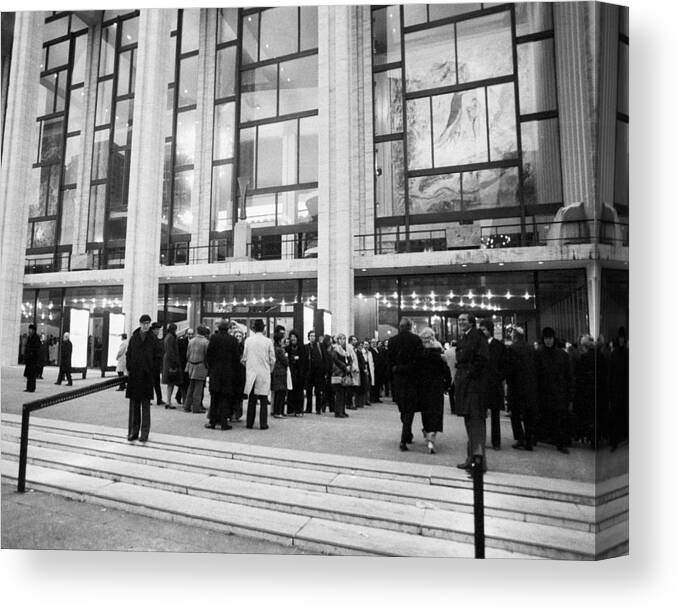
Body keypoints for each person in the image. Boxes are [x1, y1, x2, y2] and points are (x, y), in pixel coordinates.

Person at [454, 312, 489, 472]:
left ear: (471, 322)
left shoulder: (476, 337)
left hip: (474, 388)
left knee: (476, 426)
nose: (460, 322)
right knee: (470, 424)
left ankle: (478, 462)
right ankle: (471, 459)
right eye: (459, 320)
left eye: (463, 320)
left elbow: (481, 360)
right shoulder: (466, 337)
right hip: (467, 386)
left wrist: (468, 375)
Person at [125, 314, 163, 442]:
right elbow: (128, 354)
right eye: (144, 323)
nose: (146, 326)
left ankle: (144, 433)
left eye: (148, 323)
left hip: (147, 376)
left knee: (145, 406)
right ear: (140, 324)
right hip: (135, 376)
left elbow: (158, 357)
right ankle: (134, 432)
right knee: (135, 406)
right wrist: (130, 368)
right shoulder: (134, 338)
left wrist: (152, 370)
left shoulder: (153, 339)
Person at [388, 318, 424, 451]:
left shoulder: (392, 341)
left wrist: (394, 372)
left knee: (403, 408)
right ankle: (405, 437)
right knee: (409, 410)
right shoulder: (416, 340)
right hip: (412, 379)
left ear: (400, 327)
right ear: (410, 327)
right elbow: (419, 361)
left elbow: (389, 361)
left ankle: (407, 434)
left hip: (398, 380)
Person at [535, 327, 573, 454]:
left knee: (558, 419)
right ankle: (550, 440)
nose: (548, 341)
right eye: (546, 339)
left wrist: (569, 393)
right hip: (545, 392)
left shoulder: (561, 355)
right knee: (547, 417)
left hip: (557, 392)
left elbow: (568, 375)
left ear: (553, 338)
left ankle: (560, 443)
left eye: (550, 338)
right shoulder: (540, 354)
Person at [417, 328, 451, 454]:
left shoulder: (419, 353)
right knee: (436, 412)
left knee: (426, 412)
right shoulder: (440, 353)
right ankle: (432, 437)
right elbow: (446, 371)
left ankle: (427, 432)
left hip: (423, 386)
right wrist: (447, 385)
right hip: (436, 387)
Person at [505, 326, 538, 451]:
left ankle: (520, 438)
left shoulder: (512, 348)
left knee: (516, 415)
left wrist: (508, 381)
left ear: (515, 336)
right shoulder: (531, 348)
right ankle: (529, 440)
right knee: (528, 415)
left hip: (516, 386)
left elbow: (510, 368)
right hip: (529, 386)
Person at [204, 321, 240, 430]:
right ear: (228, 329)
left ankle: (212, 422)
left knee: (214, 398)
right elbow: (236, 359)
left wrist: (210, 369)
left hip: (216, 373)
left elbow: (208, 355)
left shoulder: (214, 338)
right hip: (228, 374)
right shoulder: (233, 340)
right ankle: (224, 423)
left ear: (219, 328)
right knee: (225, 399)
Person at [242, 319, 276, 430]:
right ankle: (263, 423)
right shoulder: (268, 341)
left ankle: (249, 423)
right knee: (263, 400)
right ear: (264, 328)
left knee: (252, 399)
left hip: (251, 373)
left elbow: (244, 358)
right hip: (264, 373)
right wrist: (269, 369)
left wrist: (249, 367)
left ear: (254, 328)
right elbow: (273, 359)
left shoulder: (248, 340)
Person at [478, 319, 506, 450]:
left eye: (483, 329)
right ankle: (480, 440)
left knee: (495, 416)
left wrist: (499, 377)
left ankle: (496, 441)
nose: (482, 332)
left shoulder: (499, 346)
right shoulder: (478, 345)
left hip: (494, 384)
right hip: (481, 384)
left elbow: (504, 365)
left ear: (490, 330)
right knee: (480, 416)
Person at [609, 327, 629, 451]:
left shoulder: (627, 353)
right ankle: (615, 441)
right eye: (620, 338)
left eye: (623, 338)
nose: (621, 340)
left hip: (626, 389)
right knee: (616, 416)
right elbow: (610, 374)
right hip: (617, 389)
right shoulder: (614, 353)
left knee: (625, 415)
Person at [183, 326, 210, 414]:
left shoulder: (191, 341)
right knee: (198, 388)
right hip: (201, 365)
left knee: (191, 387)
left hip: (191, 365)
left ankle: (187, 406)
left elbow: (187, 354)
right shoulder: (206, 342)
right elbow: (207, 355)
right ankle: (196, 407)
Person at [303, 330, 325, 414]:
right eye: (311, 336)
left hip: (318, 372)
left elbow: (323, 358)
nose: (312, 337)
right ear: (308, 337)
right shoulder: (306, 347)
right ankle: (308, 408)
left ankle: (318, 409)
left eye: (314, 336)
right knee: (308, 391)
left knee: (318, 391)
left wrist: (323, 371)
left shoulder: (319, 346)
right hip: (309, 372)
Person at [330, 333, 351, 418]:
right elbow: (335, 360)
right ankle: (338, 412)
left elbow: (349, 359)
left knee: (344, 393)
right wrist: (345, 367)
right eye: (341, 339)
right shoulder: (335, 349)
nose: (342, 341)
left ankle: (342, 410)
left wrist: (349, 365)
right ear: (337, 340)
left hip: (345, 373)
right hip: (338, 373)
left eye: (344, 339)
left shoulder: (345, 350)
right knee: (339, 394)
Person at [285, 330, 305, 416]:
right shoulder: (287, 348)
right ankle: (291, 409)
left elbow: (304, 360)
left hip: (299, 373)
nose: (293, 339)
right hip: (291, 372)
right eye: (291, 337)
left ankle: (299, 410)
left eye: (294, 337)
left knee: (299, 392)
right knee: (291, 391)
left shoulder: (302, 347)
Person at [161, 323, 181, 409]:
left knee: (170, 383)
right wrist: (174, 363)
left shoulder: (167, 336)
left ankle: (168, 401)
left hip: (167, 361)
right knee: (171, 382)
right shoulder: (171, 337)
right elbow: (171, 351)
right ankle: (168, 401)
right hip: (171, 362)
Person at [271, 330, 289, 418]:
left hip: (276, 372)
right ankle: (279, 411)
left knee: (278, 392)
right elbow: (285, 361)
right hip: (281, 372)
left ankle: (278, 411)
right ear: (279, 340)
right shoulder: (279, 349)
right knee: (281, 393)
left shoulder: (274, 347)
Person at [231, 326, 246, 422]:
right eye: (236, 336)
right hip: (233, 374)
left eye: (240, 336)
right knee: (233, 395)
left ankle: (237, 414)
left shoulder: (244, 347)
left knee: (239, 395)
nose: (238, 337)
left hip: (241, 374)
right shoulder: (232, 347)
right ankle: (232, 413)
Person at [175, 328, 192, 404]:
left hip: (189, 364)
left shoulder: (192, 342)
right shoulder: (181, 341)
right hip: (183, 364)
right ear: (186, 334)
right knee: (183, 383)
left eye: (191, 334)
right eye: (189, 334)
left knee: (185, 382)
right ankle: (181, 398)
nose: (190, 335)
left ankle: (179, 397)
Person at [23, 324, 42, 392]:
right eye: (29, 329)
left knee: (32, 375)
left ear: (33, 330)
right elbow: (27, 347)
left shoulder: (36, 338)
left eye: (30, 329)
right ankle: (28, 387)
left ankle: (32, 388)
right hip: (29, 359)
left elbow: (37, 349)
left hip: (33, 359)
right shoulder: (29, 337)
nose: (29, 331)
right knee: (28, 374)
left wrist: (32, 353)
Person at [150, 322, 165, 406]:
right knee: (152, 383)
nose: (158, 331)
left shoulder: (156, 338)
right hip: (153, 364)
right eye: (157, 329)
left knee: (156, 383)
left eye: (159, 329)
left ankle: (159, 399)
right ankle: (151, 399)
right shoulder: (152, 339)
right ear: (154, 330)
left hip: (156, 364)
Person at [443, 340, 457, 414]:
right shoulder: (458, 351)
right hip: (458, 374)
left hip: (450, 372)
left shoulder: (447, 352)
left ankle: (453, 408)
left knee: (451, 392)